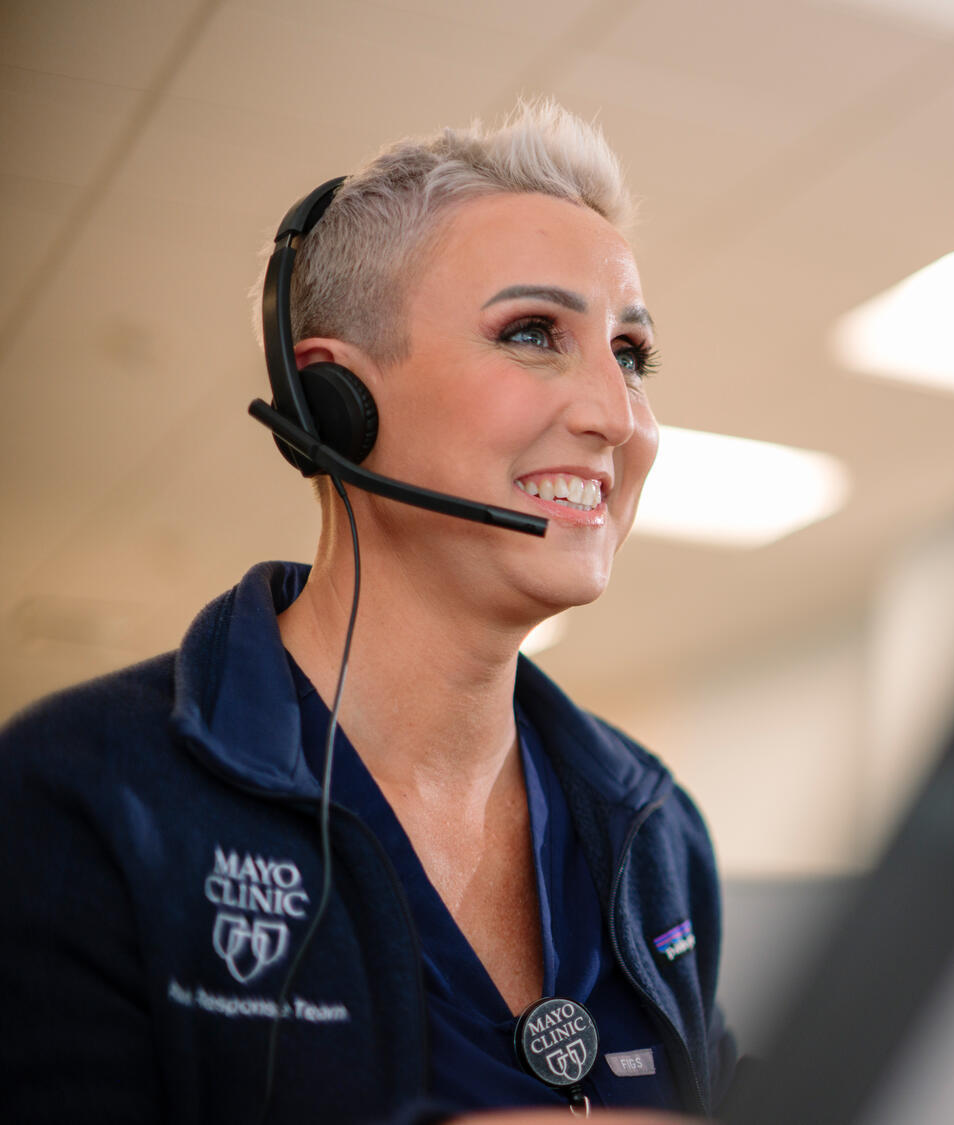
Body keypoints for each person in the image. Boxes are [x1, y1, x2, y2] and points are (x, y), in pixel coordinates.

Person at [0, 102, 733, 1124]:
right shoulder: (79, 795)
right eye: (532, 334)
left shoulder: (654, 832)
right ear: (333, 406)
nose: (617, 414)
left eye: (631, 352)